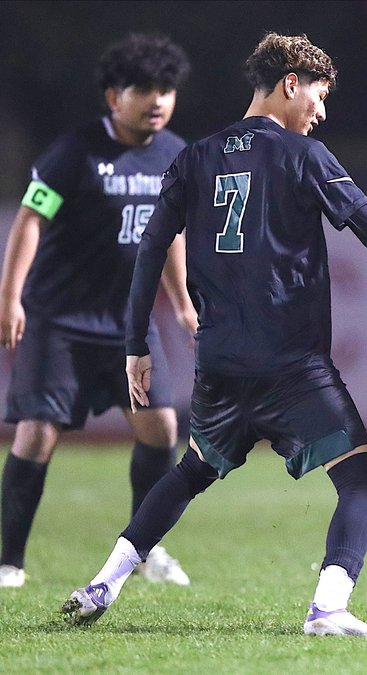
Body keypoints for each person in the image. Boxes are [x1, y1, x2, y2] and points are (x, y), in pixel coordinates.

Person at [61, 32, 367, 637]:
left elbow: (150, 248)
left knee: (192, 471)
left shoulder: (194, 157)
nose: (321, 112)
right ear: (291, 84)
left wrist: (136, 345)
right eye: (320, 96)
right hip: (292, 365)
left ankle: (103, 583)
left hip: (220, 362)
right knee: (361, 481)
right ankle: (327, 609)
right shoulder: (306, 156)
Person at [0, 34, 196, 589]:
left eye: (166, 90)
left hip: (128, 324)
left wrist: (183, 304)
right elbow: (31, 219)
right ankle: (9, 561)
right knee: (37, 434)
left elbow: (169, 235)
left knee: (161, 427)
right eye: (144, 89)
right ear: (114, 96)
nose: (157, 100)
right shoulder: (74, 152)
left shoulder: (174, 154)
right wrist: (10, 297)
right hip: (59, 321)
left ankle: (144, 549)